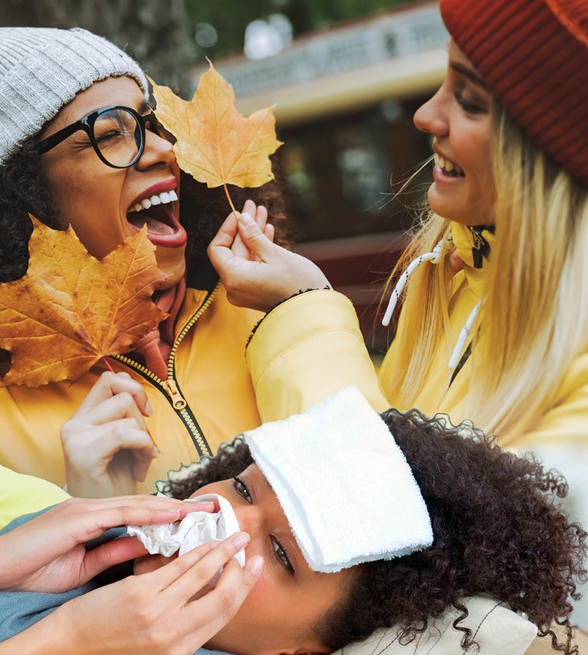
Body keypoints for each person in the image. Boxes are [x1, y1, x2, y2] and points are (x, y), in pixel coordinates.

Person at [207, 0, 588, 621]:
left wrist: (303, 311)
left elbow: (393, 546)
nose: (425, 114)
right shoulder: (455, 271)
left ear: (543, 152)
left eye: (468, 101)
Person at [0, 387, 584, 655]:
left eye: (279, 555)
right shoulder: (22, 506)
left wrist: (69, 644)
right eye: (244, 488)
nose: (225, 520)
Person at [0, 26, 298, 492]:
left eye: (151, 125)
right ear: (21, 193)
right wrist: (87, 519)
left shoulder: (262, 314)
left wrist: (305, 309)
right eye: (109, 134)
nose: (164, 149)